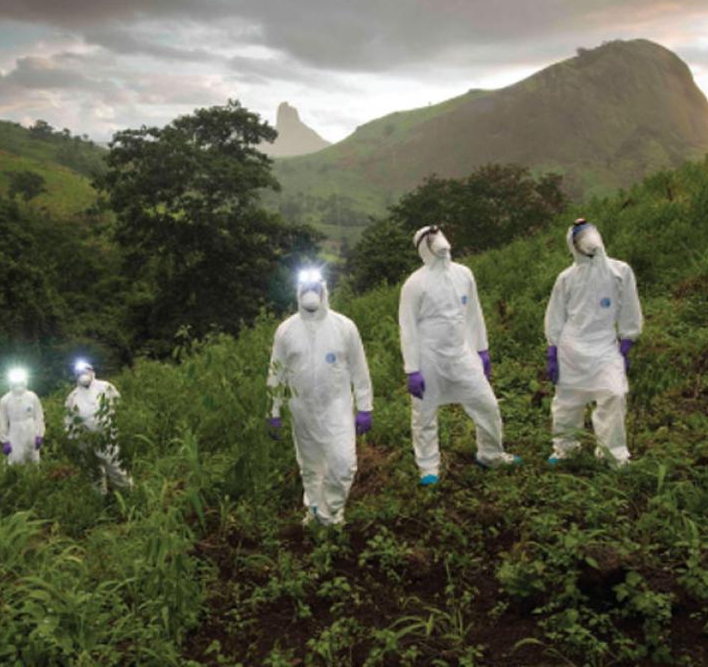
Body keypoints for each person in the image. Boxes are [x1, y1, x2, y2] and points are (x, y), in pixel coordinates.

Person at [399, 225, 520, 486]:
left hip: (461, 354)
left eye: (438, 234)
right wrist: (412, 369)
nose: (439, 241)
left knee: (487, 404)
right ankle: (428, 467)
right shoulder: (414, 284)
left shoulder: (464, 274)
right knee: (424, 415)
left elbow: (474, 314)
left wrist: (482, 349)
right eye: (431, 238)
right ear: (423, 247)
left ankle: (491, 453)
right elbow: (407, 327)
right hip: (429, 358)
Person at [267, 268, 374, 526]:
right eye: (305, 288)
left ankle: (329, 511)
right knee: (310, 466)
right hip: (302, 410)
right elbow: (276, 373)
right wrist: (273, 411)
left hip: (337, 409)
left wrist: (365, 407)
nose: (310, 293)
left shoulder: (344, 327)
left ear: (324, 290)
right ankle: (315, 511)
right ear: (298, 292)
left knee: (343, 464)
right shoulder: (286, 331)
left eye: (315, 287)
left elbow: (360, 370)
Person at [544, 219, 643, 467]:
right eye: (580, 237)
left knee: (614, 394)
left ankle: (613, 453)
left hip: (605, 345)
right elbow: (556, 314)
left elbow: (630, 306)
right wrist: (553, 349)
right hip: (572, 347)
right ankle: (566, 449)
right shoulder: (566, 278)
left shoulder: (620, 271)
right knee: (568, 401)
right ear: (573, 245)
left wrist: (628, 338)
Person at [64, 360, 132, 494]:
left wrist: (120, 428)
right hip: (86, 441)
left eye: (85, 371)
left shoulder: (106, 387)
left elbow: (119, 407)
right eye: (79, 373)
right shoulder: (73, 397)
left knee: (116, 468)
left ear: (91, 371)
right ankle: (100, 499)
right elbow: (69, 421)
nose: (83, 375)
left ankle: (127, 494)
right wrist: (75, 440)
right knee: (93, 471)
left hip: (108, 437)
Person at [0, 367, 45, 466]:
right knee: (15, 460)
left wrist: (39, 435)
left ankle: (35, 480)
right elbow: (2, 421)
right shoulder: (5, 400)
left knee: (34, 460)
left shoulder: (32, 396)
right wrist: (5, 440)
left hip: (31, 430)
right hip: (15, 432)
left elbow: (39, 417)